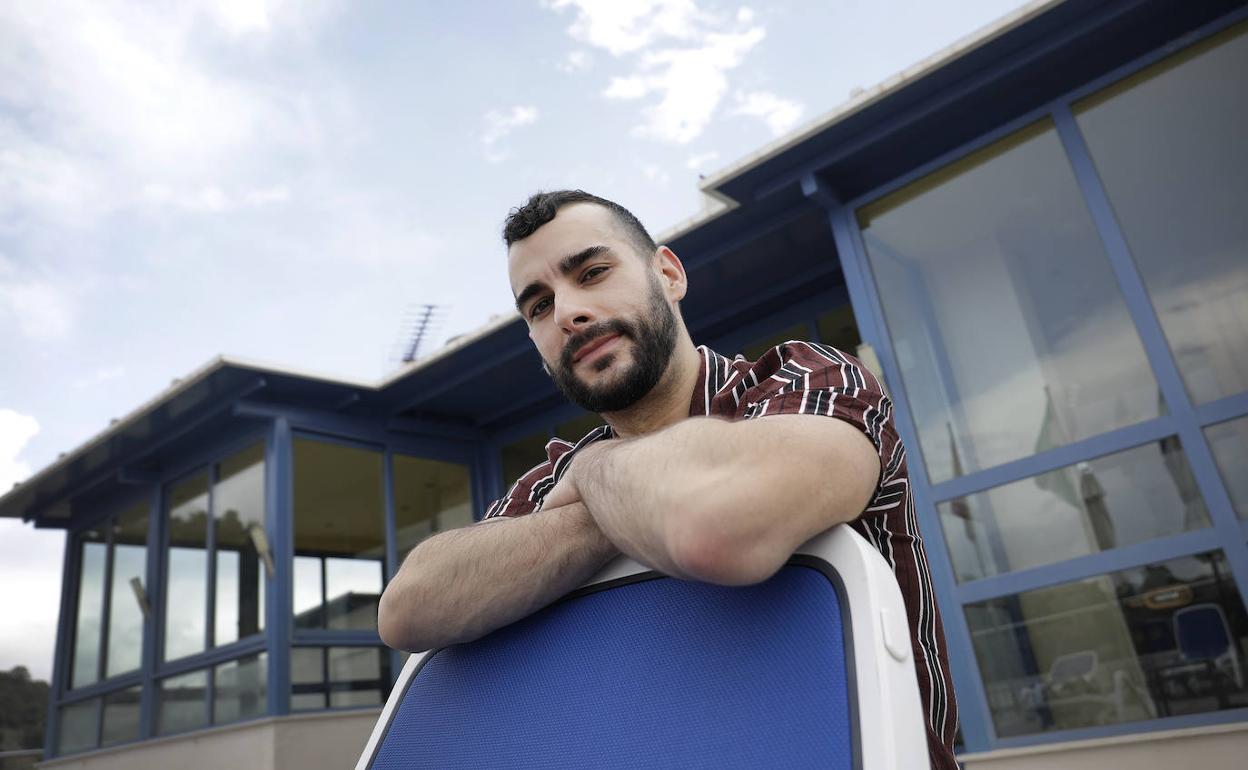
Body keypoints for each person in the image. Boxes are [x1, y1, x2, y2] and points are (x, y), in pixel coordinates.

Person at [378, 189, 959, 768]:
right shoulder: (553, 473)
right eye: (538, 306)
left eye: (593, 271)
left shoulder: (802, 380)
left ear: (669, 273)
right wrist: (611, 504)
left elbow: (719, 524)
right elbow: (408, 608)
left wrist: (598, 473)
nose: (567, 312)